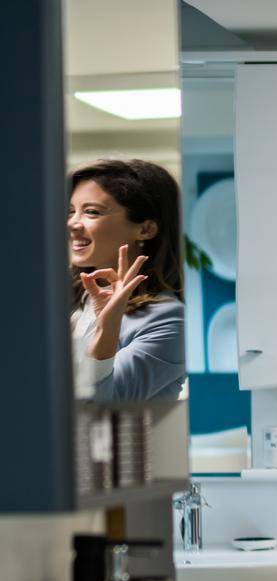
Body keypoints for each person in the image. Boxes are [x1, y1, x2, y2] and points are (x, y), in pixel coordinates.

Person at [68, 158, 185, 402]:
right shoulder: (72, 300)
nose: (72, 223)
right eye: (71, 211)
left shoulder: (168, 320)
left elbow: (99, 408)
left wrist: (106, 330)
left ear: (145, 229)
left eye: (91, 212)